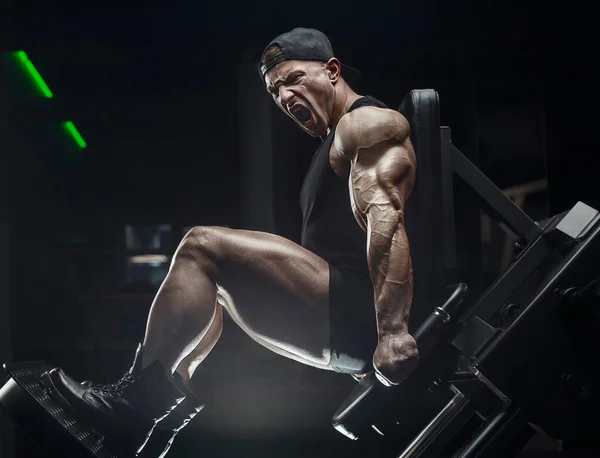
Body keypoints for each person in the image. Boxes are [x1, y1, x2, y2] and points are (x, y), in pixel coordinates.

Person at [42, 27, 419, 457]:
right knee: (203, 291)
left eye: (294, 79)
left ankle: (130, 405)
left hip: (359, 310)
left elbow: (386, 219)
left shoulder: (366, 123)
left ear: (332, 71)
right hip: (343, 326)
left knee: (201, 246)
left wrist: (391, 332)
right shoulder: (330, 143)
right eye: (275, 90)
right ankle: (156, 421)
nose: (285, 97)